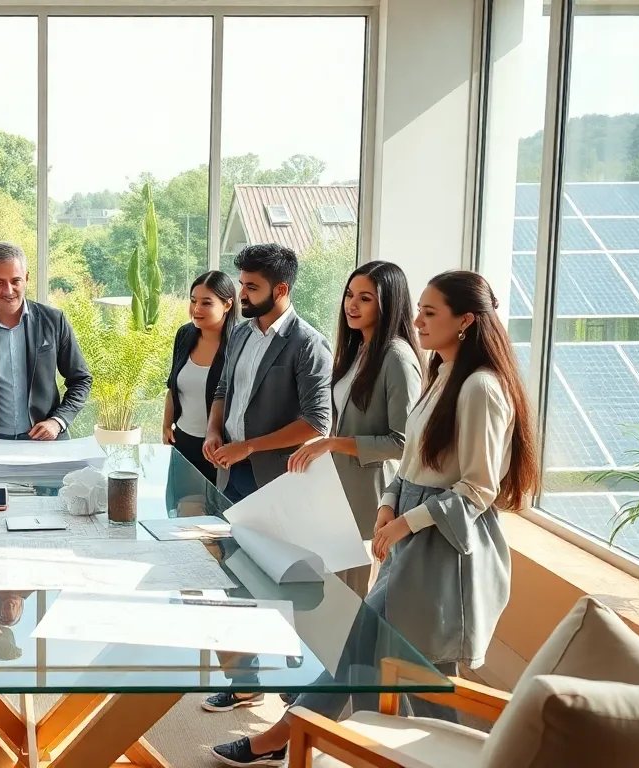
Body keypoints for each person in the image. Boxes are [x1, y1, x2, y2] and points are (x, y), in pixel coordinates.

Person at [210, 270, 539, 767]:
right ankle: (328, 742)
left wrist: (404, 521)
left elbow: (477, 489)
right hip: (409, 535)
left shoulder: (480, 388)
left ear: (466, 320)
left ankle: (295, 737)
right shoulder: (442, 374)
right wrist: (390, 504)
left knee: (409, 666)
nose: (418, 321)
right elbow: (410, 465)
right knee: (369, 650)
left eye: (430, 313)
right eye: (420, 310)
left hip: (444, 548)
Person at [285, 261, 422, 597]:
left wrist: (332, 444)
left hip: (370, 497)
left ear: (387, 304)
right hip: (338, 492)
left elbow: (403, 442)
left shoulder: (397, 359)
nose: (351, 304)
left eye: (365, 298)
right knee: (329, 594)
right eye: (349, 295)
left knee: (350, 598)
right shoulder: (359, 350)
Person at [203, 243, 332, 503]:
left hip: (275, 480)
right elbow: (224, 389)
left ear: (280, 289)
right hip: (228, 472)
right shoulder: (239, 333)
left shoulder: (309, 344)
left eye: (252, 287)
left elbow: (317, 422)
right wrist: (213, 432)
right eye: (242, 284)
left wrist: (249, 447)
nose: (242, 294)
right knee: (226, 544)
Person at [0, 242, 92, 443]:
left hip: (46, 442)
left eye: (15, 280)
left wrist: (57, 421)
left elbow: (81, 379)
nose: (9, 290)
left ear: (26, 278)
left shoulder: (54, 320)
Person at [163, 270, 238, 483]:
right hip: (183, 441)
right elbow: (172, 385)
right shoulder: (185, 334)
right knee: (178, 510)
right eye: (193, 301)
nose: (196, 309)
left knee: (214, 513)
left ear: (227, 304)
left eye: (206, 303)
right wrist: (166, 425)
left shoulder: (239, 344)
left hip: (219, 448)